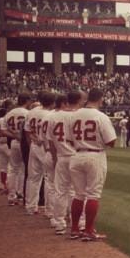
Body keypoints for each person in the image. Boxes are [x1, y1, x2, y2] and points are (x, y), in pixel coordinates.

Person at [67, 87, 116, 241]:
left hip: (76, 154)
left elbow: (68, 139)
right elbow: (111, 141)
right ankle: (88, 231)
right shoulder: (100, 116)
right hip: (95, 155)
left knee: (79, 194)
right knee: (93, 194)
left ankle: (75, 229)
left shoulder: (74, 115)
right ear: (100, 99)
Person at [47, 91, 85, 236]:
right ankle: (79, 223)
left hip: (62, 155)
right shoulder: (80, 115)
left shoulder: (53, 116)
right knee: (79, 192)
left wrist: (55, 156)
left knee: (61, 191)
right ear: (79, 100)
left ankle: (59, 223)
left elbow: (50, 141)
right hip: (77, 155)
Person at [23, 92, 56, 216]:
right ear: (53, 103)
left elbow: (26, 131)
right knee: (49, 178)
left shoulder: (32, 111)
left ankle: (30, 207)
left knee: (33, 178)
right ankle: (49, 210)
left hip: (34, 145)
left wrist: (31, 142)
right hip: (45, 147)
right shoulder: (51, 114)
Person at [1, 93, 32, 205]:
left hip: (14, 142)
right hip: (25, 143)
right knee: (25, 169)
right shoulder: (28, 113)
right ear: (27, 101)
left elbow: (3, 130)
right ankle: (22, 194)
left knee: (13, 169)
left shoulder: (9, 113)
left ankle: (11, 196)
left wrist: (14, 135)